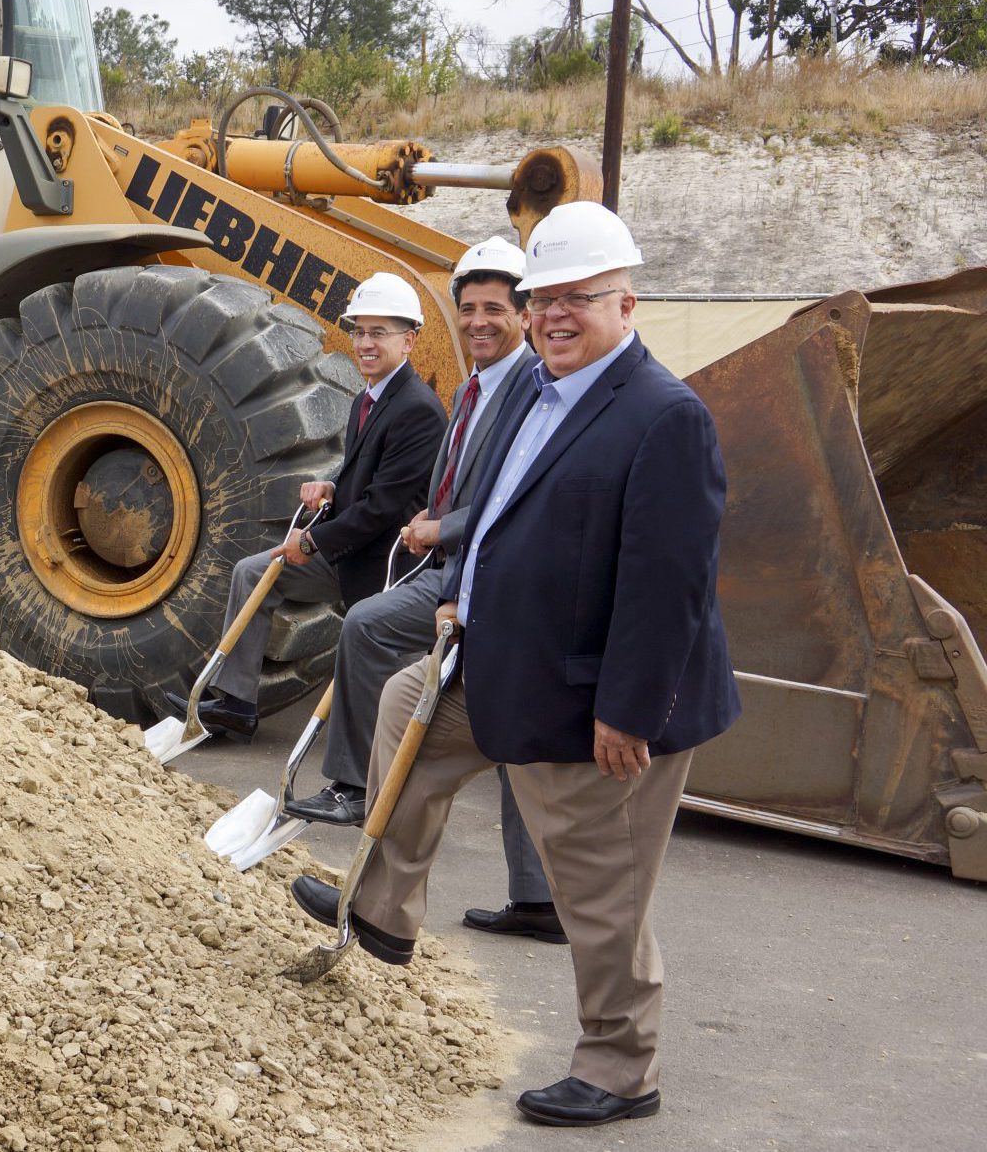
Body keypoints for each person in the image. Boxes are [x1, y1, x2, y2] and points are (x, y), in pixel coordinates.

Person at [288, 202, 740, 1127]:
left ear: (628, 303)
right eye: (548, 299)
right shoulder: (535, 390)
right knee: (409, 702)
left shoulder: (663, 417)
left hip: (596, 702)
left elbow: (670, 582)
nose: (557, 315)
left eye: (582, 298)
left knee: (600, 886)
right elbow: (497, 508)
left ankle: (620, 1067)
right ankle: (383, 910)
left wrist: (631, 711)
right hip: (498, 652)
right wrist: (465, 588)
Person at [291, 238, 562, 946]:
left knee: (378, 639)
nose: (478, 321)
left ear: (526, 315)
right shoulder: (472, 387)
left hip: (487, 579)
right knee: (508, 736)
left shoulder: (535, 391)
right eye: (468, 308)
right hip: (470, 578)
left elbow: (524, 499)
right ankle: (528, 899)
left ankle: (357, 808)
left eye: (494, 309)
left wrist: (441, 530)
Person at [166, 272, 446, 740]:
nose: (365, 343)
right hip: (350, 549)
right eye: (359, 331)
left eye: (379, 332)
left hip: (382, 565)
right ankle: (234, 703)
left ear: (409, 340)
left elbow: (382, 507)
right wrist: (332, 486)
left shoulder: (418, 409)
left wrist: (313, 540)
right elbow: (364, 477)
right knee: (252, 571)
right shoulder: (367, 398)